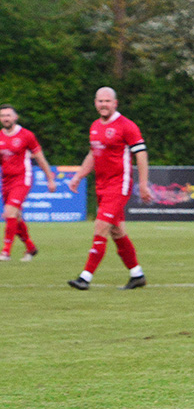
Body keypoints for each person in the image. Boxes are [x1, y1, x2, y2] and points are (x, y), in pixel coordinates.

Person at [67, 87, 151, 290]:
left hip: (118, 185)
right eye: (100, 101)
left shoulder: (126, 126)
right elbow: (92, 155)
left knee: (101, 225)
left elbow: (141, 154)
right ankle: (137, 274)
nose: (103, 104)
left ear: (115, 103)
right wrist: (79, 175)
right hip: (101, 186)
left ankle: (85, 277)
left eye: (107, 101)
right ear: (95, 103)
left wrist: (143, 183)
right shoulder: (95, 125)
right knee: (117, 231)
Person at [0, 104, 57, 261]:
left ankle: (5, 251)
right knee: (15, 218)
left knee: (9, 213)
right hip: (6, 181)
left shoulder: (26, 135)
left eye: (8, 115)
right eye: (3, 116)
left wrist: (50, 179)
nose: (5, 118)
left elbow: (39, 157)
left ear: (15, 117)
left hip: (22, 179)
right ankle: (30, 248)